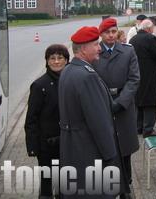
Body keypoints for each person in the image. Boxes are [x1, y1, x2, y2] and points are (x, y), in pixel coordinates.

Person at [59, 26, 122, 198]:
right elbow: (99, 121)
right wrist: (110, 156)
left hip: (73, 149)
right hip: (89, 151)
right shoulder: (87, 76)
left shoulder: (69, 71)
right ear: (83, 48)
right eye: (95, 44)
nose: (99, 48)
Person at [92, 17, 140, 197]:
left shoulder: (128, 51)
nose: (111, 35)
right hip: (102, 105)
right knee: (105, 147)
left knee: (124, 148)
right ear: (101, 34)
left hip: (123, 106)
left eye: (113, 32)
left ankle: (127, 185)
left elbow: (134, 79)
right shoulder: (94, 53)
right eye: (107, 32)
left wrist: (121, 102)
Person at [25, 44, 69, 198]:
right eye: (52, 58)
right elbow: (31, 119)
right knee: (47, 182)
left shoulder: (71, 81)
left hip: (67, 142)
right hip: (46, 145)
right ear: (47, 61)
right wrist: (32, 146)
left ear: (66, 60)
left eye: (60, 58)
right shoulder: (39, 85)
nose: (56, 62)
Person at [130, 19, 156, 137]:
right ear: (148, 28)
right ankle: (148, 129)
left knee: (139, 100)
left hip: (136, 73)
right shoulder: (150, 38)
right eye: (152, 28)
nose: (153, 30)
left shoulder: (133, 39)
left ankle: (139, 127)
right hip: (149, 74)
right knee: (150, 101)